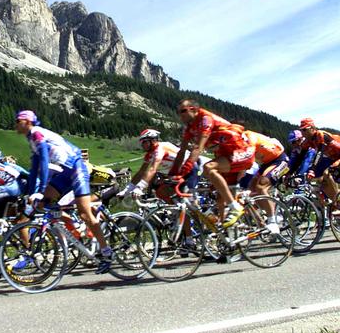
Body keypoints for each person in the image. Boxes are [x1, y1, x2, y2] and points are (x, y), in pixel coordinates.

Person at [14, 110, 113, 273]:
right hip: (65, 172)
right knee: (42, 204)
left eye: (18, 120)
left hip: (76, 167)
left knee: (84, 213)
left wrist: (40, 190)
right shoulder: (30, 138)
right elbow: (34, 169)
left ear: (28, 122)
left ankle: (106, 252)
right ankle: (62, 234)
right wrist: (31, 194)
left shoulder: (37, 134)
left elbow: (45, 161)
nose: (16, 123)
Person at [169, 99, 255, 228]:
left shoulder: (205, 118)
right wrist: (172, 174)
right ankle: (225, 232)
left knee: (208, 168)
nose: (180, 114)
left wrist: (183, 173)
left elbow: (198, 148)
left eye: (183, 111)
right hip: (225, 155)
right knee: (218, 196)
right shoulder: (188, 128)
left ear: (194, 109)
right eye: (178, 112)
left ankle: (235, 207)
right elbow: (181, 153)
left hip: (240, 151)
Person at [118, 129, 206, 202]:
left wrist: (139, 187)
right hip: (178, 173)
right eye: (142, 142)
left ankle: (201, 218)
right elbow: (141, 172)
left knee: (189, 198)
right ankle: (177, 216)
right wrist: (127, 189)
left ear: (153, 140)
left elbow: (153, 169)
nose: (143, 145)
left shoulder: (160, 148)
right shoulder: (149, 154)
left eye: (145, 142)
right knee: (162, 193)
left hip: (192, 169)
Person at [242, 130, 289, 233]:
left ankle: (273, 219)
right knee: (250, 190)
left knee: (261, 185)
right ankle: (268, 214)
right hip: (266, 163)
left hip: (280, 160)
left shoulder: (249, 136)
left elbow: (248, 158)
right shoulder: (238, 140)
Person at [300, 118, 340, 201]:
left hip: (337, 156)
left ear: (312, 128)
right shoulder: (307, 141)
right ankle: (333, 203)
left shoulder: (320, 135)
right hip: (332, 157)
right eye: (301, 130)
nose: (303, 133)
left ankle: (338, 200)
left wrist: (312, 169)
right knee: (318, 180)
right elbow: (299, 158)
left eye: (304, 130)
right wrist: (290, 173)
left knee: (326, 173)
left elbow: (319, 153)